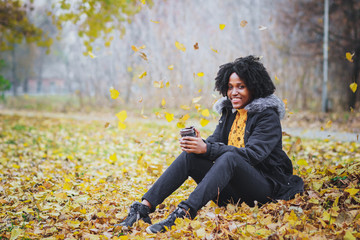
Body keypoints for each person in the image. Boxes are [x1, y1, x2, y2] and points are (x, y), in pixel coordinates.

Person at [115, 55, 304, 234]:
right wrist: (200, 143)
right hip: (233, 192)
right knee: (191, 156)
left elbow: (253, 155)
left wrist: (207, 148)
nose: (234, 92)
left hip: (265, 190)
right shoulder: (230, 112)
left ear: (254, 87)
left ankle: (184, 213)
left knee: (231, 157)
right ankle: (142, 209)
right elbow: (214, 143)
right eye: (230, 87)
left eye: (241, 86)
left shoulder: (267, 116)